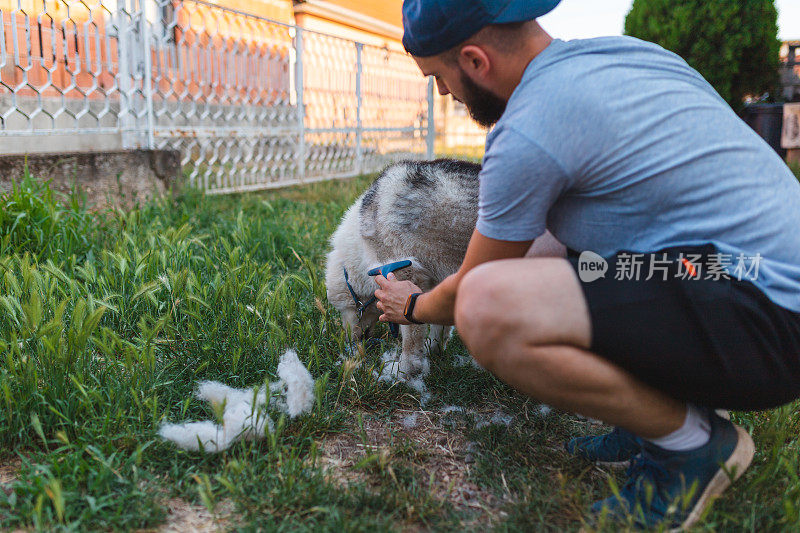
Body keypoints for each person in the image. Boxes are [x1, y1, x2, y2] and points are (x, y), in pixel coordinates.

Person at [372, 0, 800, 529]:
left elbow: (471, 289)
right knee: (560, 238)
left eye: (438, 76)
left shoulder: (530, 125)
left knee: (487, 305)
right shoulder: (625, 57)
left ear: (475, 61)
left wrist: (412, 305)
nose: (443, 93)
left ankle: (693, 444)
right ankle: (648, 419)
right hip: (763, 292)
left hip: (769, 325)